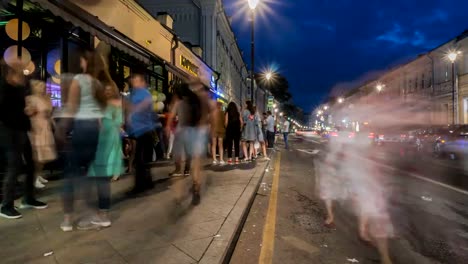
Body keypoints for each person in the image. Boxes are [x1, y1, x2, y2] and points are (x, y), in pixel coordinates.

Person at [56, 50, 107, 231]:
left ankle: (68, 219)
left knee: (71, 173)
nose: (80, 64)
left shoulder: (79, 80)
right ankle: (98, 214)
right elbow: (101, 115)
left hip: (81, 128)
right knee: (94, 173)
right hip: (96, 130)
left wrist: (61, 128)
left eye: (82, 61)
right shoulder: (98, 85)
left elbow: (71, 107)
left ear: (86, 62)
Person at [0, 59, 48, 219]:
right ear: (11, 71)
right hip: (8, 130)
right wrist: (23, 112)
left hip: (22, 130)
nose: (24, 72)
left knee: (31, 164)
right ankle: (6, 205)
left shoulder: (20, 87)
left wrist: (27, 111)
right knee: (15, 165)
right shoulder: (4, 87)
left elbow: (20, 108)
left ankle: (28, 198)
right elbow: (5, 111)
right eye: (20, 69)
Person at [87, 81, 123, 227]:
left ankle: (103, 213)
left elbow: (114, 123)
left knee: (102, 178)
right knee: (101, 177)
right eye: (105, 90)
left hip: (107, 141)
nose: (107, 92)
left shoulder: (113, 104)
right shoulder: (110, 103)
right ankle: (102, 210)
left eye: (109, 90)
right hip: (104, 140)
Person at [126, 73, 156, 195]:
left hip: (145, 130)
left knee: (140, 159)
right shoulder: (132, 94)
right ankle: (147, 182)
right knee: (142, 159)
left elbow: (145, 104)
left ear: (142, 81)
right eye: (133, 80)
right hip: (137, 130)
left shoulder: (145, 93)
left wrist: (133, 110)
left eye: (136, 80)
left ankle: (140, 186)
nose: (133, 82)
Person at [26, 80, 57, 189]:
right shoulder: (30, 99)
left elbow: (49, 114)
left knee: (44, 155)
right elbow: (28, 112)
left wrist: (53, 124)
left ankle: (38, 175)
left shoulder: (45, 98)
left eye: (44, 86)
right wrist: (30, 110)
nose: (43, 88)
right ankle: (34, 178)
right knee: (38, 156)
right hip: (37, 128)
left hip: (45, 127)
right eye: (40, 86)